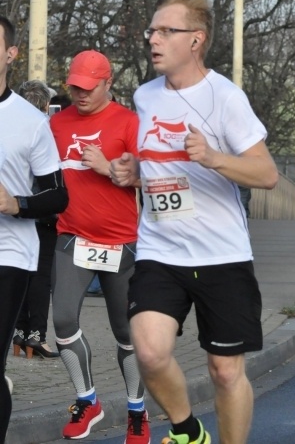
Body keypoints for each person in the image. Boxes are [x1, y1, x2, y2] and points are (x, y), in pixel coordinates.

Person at [110, 0, 279, 444]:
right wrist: (132, 170)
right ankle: (188, 431)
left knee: (225, 371)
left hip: (221, 254)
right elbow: (153, 163)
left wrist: (213, 157)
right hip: (160, 250)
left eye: (166, 31)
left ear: (195, 41)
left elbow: (266, 174)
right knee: (148, 351)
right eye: (152, 31)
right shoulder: (144, 96)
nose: (154, 39)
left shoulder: (225, 97)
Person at [47, 50, 150, 442]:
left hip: (121, 242)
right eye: (74, 86)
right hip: (71, 236)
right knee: (62, 323)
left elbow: (154, 178)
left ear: (108, 84)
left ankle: (136, 411)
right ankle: (87, 399)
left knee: (126, 333)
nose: (80, 94)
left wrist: (108, 168)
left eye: (88, 88)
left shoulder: (129, 122)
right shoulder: (57, 123)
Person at [0, 15, 69, 441]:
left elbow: (57, 197)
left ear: (10, 54)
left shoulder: (30, 121)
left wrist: (16, 203)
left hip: (8, 253)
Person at [12, 81, 60, 359]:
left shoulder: (12, 126)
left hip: (15, 208)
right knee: (41, 276)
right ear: (44, 105)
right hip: (42, 209)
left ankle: (18, 330)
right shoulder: (44, 128)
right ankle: (36, 335)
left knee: (20, 272)